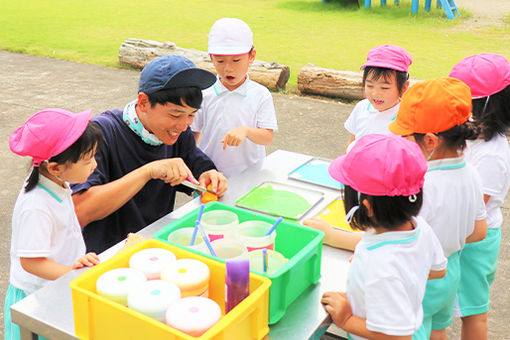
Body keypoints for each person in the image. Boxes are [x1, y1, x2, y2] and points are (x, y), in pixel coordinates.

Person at [71, 55, 228, 254]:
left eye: (191, 115)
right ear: (144, 102)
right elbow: (79, 210)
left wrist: (209, 176)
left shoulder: (178, 133)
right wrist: (147, 172)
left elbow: (196, 164)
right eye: (175, 114)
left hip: (154, 249)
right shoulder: (102, 133)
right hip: (104, 258)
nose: (183, 125)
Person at [388, 78, 488, 340]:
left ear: (430, 141)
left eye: (408, 138)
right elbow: (479, 232)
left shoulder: (422, 184)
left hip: (421, 274)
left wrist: (333, 234)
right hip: (450, 271)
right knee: (437, 329)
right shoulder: (472, 174)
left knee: (413, 331)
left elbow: (400, 238)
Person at [321, 134, 447, 340]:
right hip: (415, 327)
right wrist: (366, 294)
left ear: (366, 206)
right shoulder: (419, 227)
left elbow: (398, 337)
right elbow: (439, 270)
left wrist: (346, 319)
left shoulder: (381, 266)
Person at [5, 108, 102, 340]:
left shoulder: (54, 181)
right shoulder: (36, 205)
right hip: (35, 299)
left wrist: (75, 265)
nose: (95, 166)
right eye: (88, 160)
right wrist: (72, 273)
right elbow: (31, 262)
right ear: (55, 168)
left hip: (55, 286)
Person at [449, 54, 510, 340]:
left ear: (487, 105)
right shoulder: (470, 134)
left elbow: (474, 209)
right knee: (443, 304)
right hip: (458, 233)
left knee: (473, 312)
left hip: (476, 239)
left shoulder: (493, 154)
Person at [191, 18, 278, 177]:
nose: (228, 68)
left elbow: (267, 137)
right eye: (220, 61)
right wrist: (194, 170)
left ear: (251, 56)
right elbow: (193, 133)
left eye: (236, 60)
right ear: (211, 58)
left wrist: (246, 131)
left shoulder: (260, 94)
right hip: (210, 174)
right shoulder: (204, 92)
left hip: (251, 175)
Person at [344, 44, 411, 152]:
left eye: (384, 88)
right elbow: (352, 141)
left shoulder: (406, 116)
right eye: (370, 86)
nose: (375, 94)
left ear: (403, 87)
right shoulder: (362, 107)